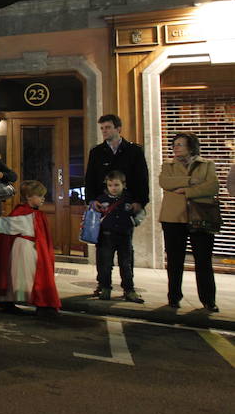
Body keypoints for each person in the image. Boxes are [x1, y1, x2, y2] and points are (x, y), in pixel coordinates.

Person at [158, 132, 219, 312]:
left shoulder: (207, 165)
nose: (176, 147)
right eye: (174, 144)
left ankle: (208, 300)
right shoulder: (168, 165)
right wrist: (192, 181)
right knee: (175, 260)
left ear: (191, 147)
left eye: (180, 144)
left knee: (203, 261)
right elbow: (165, 182)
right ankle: (174, 297)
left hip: (200, 217)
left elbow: (212, 186)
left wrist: (186, 191)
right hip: (173, 218)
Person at [0, 180, 61, 316]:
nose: (43, 198)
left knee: (21, 278)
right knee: (25, 278)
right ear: (29, 197)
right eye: (39, 195)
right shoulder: (27, 213)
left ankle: (8, 301)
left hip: (28, 249)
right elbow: (5, 226)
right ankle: (39, 303)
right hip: (25, 250)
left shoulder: (29, 213)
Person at [92, 170, 144, 303]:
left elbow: (140, 213)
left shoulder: (129, 199)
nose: (113, 188)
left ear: (123, 185)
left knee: (126, 264)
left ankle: (129, 289)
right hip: (106, 235)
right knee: (105, 264)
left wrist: (133, 222)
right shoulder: (101, 199)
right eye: (110, 185)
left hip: (124, 235)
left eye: (116, 185)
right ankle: (105, 288)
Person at [85, 114, 149, 211]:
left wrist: (140, 201)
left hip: (128, 202)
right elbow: (90, 178)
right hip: (102, 203)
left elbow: (141, 178)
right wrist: (91, 200)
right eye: (102, 128)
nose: (104, 131)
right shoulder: (96, 152)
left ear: (118, 129)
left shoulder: (134, 150)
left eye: (108, 127)